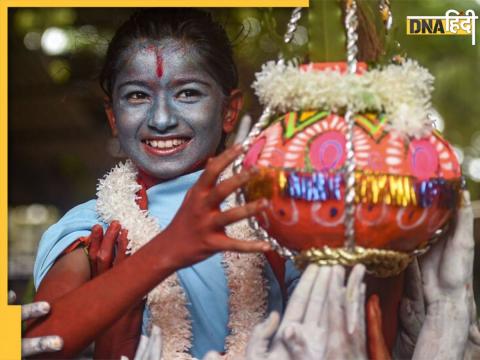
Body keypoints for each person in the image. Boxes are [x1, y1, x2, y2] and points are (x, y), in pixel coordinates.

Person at [26, 9, 300, 359]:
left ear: (229, 111)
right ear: (113, 118)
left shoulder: (272, 209)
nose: (161, 119)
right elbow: (35, 345)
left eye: (187, 93)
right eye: (138, 96)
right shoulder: (95, 225)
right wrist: (170, 248)